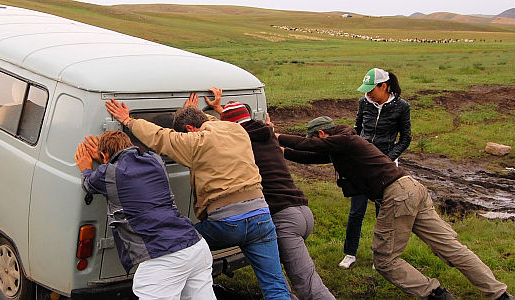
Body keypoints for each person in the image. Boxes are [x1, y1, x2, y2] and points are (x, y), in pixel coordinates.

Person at [277, 116, 515, 300]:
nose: (315, 144)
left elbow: (311, 146)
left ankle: (436, 294)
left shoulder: (346, 140)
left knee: (385, 260)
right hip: (412, 188)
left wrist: (276, 136)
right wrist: (284, 152)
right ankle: (499, 293)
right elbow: (311, 156)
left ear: (321, 133)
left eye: (315, 139)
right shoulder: (343, 145)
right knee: (451, 247)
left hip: (397, 195)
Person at [105, 91, 290, 300]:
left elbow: (160, 137)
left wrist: (128, 121)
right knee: (275, 286)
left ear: (191, 129)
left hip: (226, 224)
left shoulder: (196, 143)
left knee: (179, 244)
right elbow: (211, 122)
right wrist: (194, 112)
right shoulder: (236, 130)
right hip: (261, 218)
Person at [208, 93, 334, 300]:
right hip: (302, 212)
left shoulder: (241, 143)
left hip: (282, 218)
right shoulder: (267, 134)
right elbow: (242, 123)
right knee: (278, 278)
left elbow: (233, 130)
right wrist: (223, 110)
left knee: (305, 285)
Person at [76, 131, 215, 300]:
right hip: (196, 247)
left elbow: (89, 184)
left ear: (104, 156)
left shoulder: (108, 173)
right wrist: (109, 161)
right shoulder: (156, 161)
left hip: (163, 259)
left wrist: (86, 168)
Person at [340, 67, 412, 269]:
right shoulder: (364, 102)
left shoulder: (402, 106)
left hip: (386, 166)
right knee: (356, 211)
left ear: (384, 86)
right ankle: (349, 253)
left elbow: (406, 138)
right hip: (361, 163)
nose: (368, 93)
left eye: (372, 89)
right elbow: (358, 128)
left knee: (383, 213)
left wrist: (388, 159)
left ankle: (380, 256)